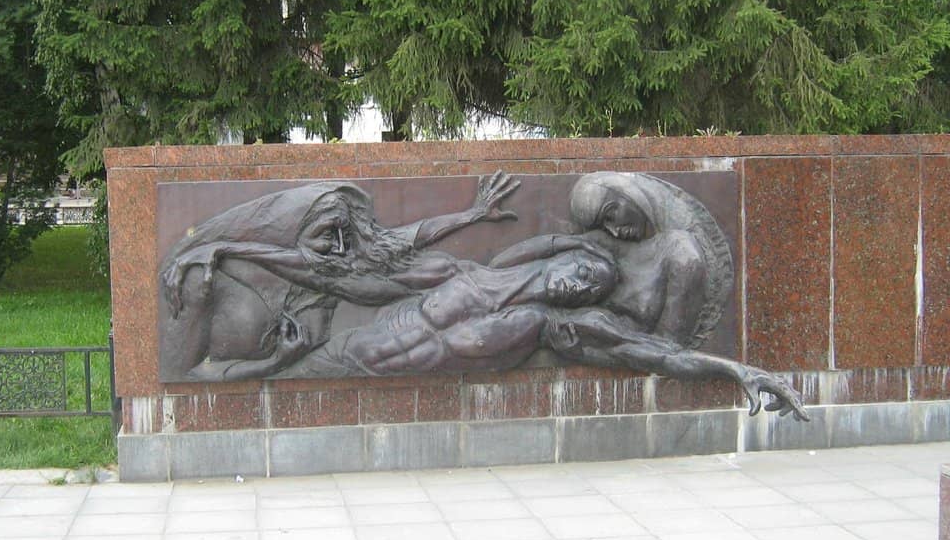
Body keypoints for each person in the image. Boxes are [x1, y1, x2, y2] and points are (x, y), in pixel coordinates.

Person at [246, 247, 807, 421]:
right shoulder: (467, 273)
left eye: (592, 289)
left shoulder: (554, 325)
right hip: (333, 355)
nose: (579, 288)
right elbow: (362, 281)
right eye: (583, 274)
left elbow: (653, 352)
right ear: (565, 258)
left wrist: (735, 368)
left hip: (379, 375)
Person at [160, 173, 521, 380]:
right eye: (325, 234)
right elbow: (186, 375)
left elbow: (412, 233)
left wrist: (473, 215)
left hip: (471, 286)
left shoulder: (351, 258)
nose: (338, 246)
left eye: (344, 234)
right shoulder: (236, 281)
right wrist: (221, 249)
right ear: (295, 234)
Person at [489, 172, 732, 349]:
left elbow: (667, 351)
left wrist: (577, 348)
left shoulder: (682, 257)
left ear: (627, 192)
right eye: (605, 223)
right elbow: (497, 267)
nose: (615, 230)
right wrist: (570, 243)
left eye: (611, 214)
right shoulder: (602, 243)